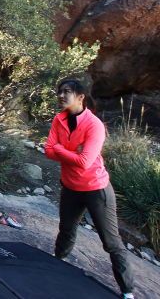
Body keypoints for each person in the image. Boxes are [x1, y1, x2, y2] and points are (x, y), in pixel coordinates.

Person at [45, 78, 135, 299]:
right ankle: (57, 267)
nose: (61, 96)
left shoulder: (94, 125)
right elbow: (48, 150)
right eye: (60, 92)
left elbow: (84, 161)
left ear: (80, 96)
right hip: (70, 187)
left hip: (96, 189)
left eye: (66, 92)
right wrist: (70, 151)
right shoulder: (59, 119)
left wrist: (61, 149)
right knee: (66, 230)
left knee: (111, 243)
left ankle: (128, 292)